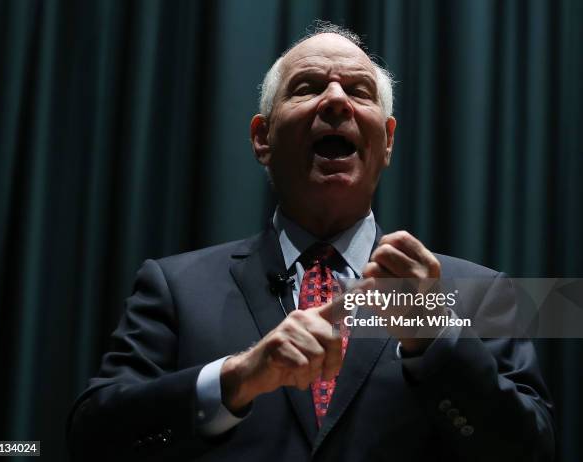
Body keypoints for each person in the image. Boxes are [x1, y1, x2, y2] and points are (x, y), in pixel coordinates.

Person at [67, 22, 555, 461]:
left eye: (359, 91)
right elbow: (92, 437)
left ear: (387, 142)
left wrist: (436, 341)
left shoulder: (479, 291)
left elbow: (531, 449)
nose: (336, 101)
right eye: (308, 88)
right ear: (263, 139)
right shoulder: (174, 287)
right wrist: (237, 379)